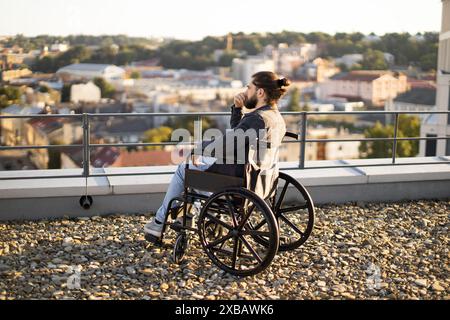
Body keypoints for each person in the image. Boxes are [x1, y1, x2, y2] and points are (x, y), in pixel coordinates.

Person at [144, 71, 289, 240]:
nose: (246, 91)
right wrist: (237, 109)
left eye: (249, 88)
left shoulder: (257, 119)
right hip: (260, 179)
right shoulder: (275, 118)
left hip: (239, 180)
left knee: (185, 169)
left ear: (260, 92)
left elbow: (225, 144)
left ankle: (159, 223)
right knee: (199, 166)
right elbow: (237, 135)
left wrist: (197, 148)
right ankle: (186, 217)